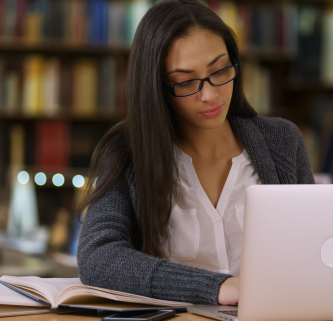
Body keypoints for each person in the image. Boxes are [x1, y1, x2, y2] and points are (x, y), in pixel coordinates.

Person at [76, 0, 314, 307]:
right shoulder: (126, 152)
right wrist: (218, 287)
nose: (210, 94)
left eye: (219, 70)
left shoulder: (282, 141)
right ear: (156, 87)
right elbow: (98, 257)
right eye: (186, 82)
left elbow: (314, 247)